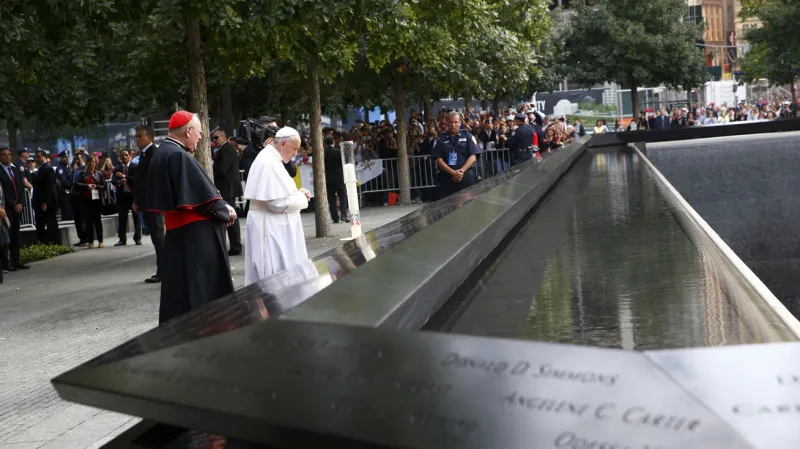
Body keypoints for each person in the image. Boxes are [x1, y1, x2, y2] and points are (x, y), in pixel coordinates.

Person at [146, 111, 237, 324]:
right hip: (197, 237)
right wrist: (226, 211)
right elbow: (204, 198)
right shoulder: (178, 155)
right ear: (188, 130)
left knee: (182, 293)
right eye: (199, 133)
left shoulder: (162, 152)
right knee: (203, 292)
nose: (200, 138)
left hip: (179, 236)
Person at [243, 127, 310, 286]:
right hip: (269, 227)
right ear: (283, 143)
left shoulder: (271, 159)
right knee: (273, 274)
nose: (295, 154)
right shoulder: (268, 162)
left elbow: (279, 193)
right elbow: (277, 203)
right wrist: (302, 199)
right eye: (294, 149)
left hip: (271, 224)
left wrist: (296, 193)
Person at [132, 124, 164, 284]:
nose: (137, 139)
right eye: (136, 136)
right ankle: (164, 269)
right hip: (147, 202)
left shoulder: (153, 153)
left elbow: (151, 180)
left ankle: (163, 270)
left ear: (149, 137)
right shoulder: (145, 154)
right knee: (155, 237)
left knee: (158, 237)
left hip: (153, 203)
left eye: (140, 136)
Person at [430, 111, 481, 199]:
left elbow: (473, 156)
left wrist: (461, 171)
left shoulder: (468, 136)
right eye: (451, 122)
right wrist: (452, 172)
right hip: (447, 178)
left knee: (468, 206)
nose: (453, 125)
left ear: (460, 122)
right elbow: (438, 159)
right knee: (448, 208)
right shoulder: (440, 138)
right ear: (447, 122)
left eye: (456, 122)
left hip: (465, 176)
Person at [211, 127, 244, 256]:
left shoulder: (226, 150)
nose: (214, 140)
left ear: (224, 137)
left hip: (227, 188)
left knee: (230, 217)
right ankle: (235, 245)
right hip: (227, 187)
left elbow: (221, 170)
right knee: (230, 217)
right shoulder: (224, 150)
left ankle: (235, 245)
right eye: (213, 138)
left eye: (216, 137)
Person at [0, 147, 29, 271]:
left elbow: (21, 187)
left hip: (18, 207)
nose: (7, 157)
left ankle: (16, 260)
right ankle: (6, 263)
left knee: (16, 235)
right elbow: (2, 192)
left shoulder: (15, 169)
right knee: (7, 236)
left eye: (9, 154)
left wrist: (21, 203)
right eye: (4, 155)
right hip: (7, 208)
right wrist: (13, 204)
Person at [74, 155, 106, 249]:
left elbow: (103, 185)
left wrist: (97, 186)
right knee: (89, 222)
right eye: (90, 162)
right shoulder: (82, 173)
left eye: (93, 162)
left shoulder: (99, 174)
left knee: (98, 221)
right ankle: (91, 241)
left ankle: (101, 241)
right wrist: (87, 186)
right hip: (86, 200)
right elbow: (76, 184)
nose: (91, 163)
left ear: (95, 163)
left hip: (97, 200)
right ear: (87, 163)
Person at [112, 149, 141, 246]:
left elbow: (137, 179)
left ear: (129, 156)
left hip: (133, 196)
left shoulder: (134, 166)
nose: (124, 157)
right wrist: (119, 182)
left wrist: (125, 177)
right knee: (122, 218)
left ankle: (137, 238)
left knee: (136, 217)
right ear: (120, 157)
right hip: (122, 196)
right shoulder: (117, 169)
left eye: (126, 155)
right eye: (122, 155)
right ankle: (122, 239)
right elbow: (113, 180)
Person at [32, 149, 60, 245]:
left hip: (48, 202)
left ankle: (52, 241)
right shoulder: (41, 169)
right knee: (44, 223)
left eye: (39, 156)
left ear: (44, 157)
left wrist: (45, 202)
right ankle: (48, 241)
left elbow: (50, 187)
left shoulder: (48, 169)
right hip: (43, 201)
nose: (37, 159)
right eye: (36, 157)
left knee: (51, 222)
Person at [323, 135, 349, 223]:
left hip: (328, 178)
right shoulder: (338, 151)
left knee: (331, 198)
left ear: (325, 143)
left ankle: (335, 217)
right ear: (333, 142)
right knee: (342, 195)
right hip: (339, 177)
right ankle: (344, 215)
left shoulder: (323, 152)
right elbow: (343, 164)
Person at [54, 151, 73, 220]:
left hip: (69, 193)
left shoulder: (67, 167)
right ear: (61, 158)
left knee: (71, 212)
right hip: (64, 193)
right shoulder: (60, 169)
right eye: (65, 157)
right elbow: (64, 181)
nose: (67, 159)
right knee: (66, 212)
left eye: (67, 157)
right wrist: (73, 186)